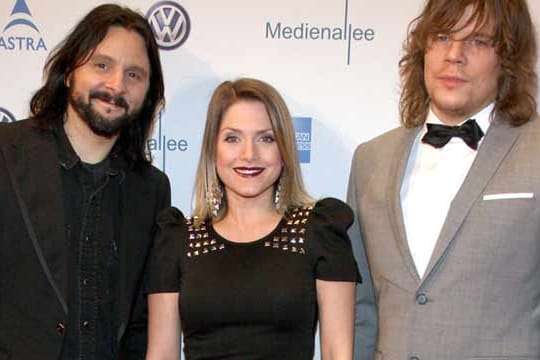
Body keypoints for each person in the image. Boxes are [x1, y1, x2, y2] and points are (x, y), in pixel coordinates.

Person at [348, 0, 539, 359]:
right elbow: (362, 309)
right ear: (423, 49)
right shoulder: (370, 160)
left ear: (509, 59)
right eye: (442, 36)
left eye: (478, 41)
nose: (455, 55)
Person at [0, 4, 170, 359]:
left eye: (134, 75)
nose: (116, 85)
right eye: (102, 65)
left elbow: (141, 322)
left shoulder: (151, 189)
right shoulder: (6, 153)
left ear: (148, 94)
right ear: (68, 72)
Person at [145, 78, 359, 360]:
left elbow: (337, 353)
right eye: (232, 138)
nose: (249, 154)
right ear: (213, 150)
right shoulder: (177, 239)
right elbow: (161, 354)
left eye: (266, 138)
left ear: (284, 151)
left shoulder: (319, 232)